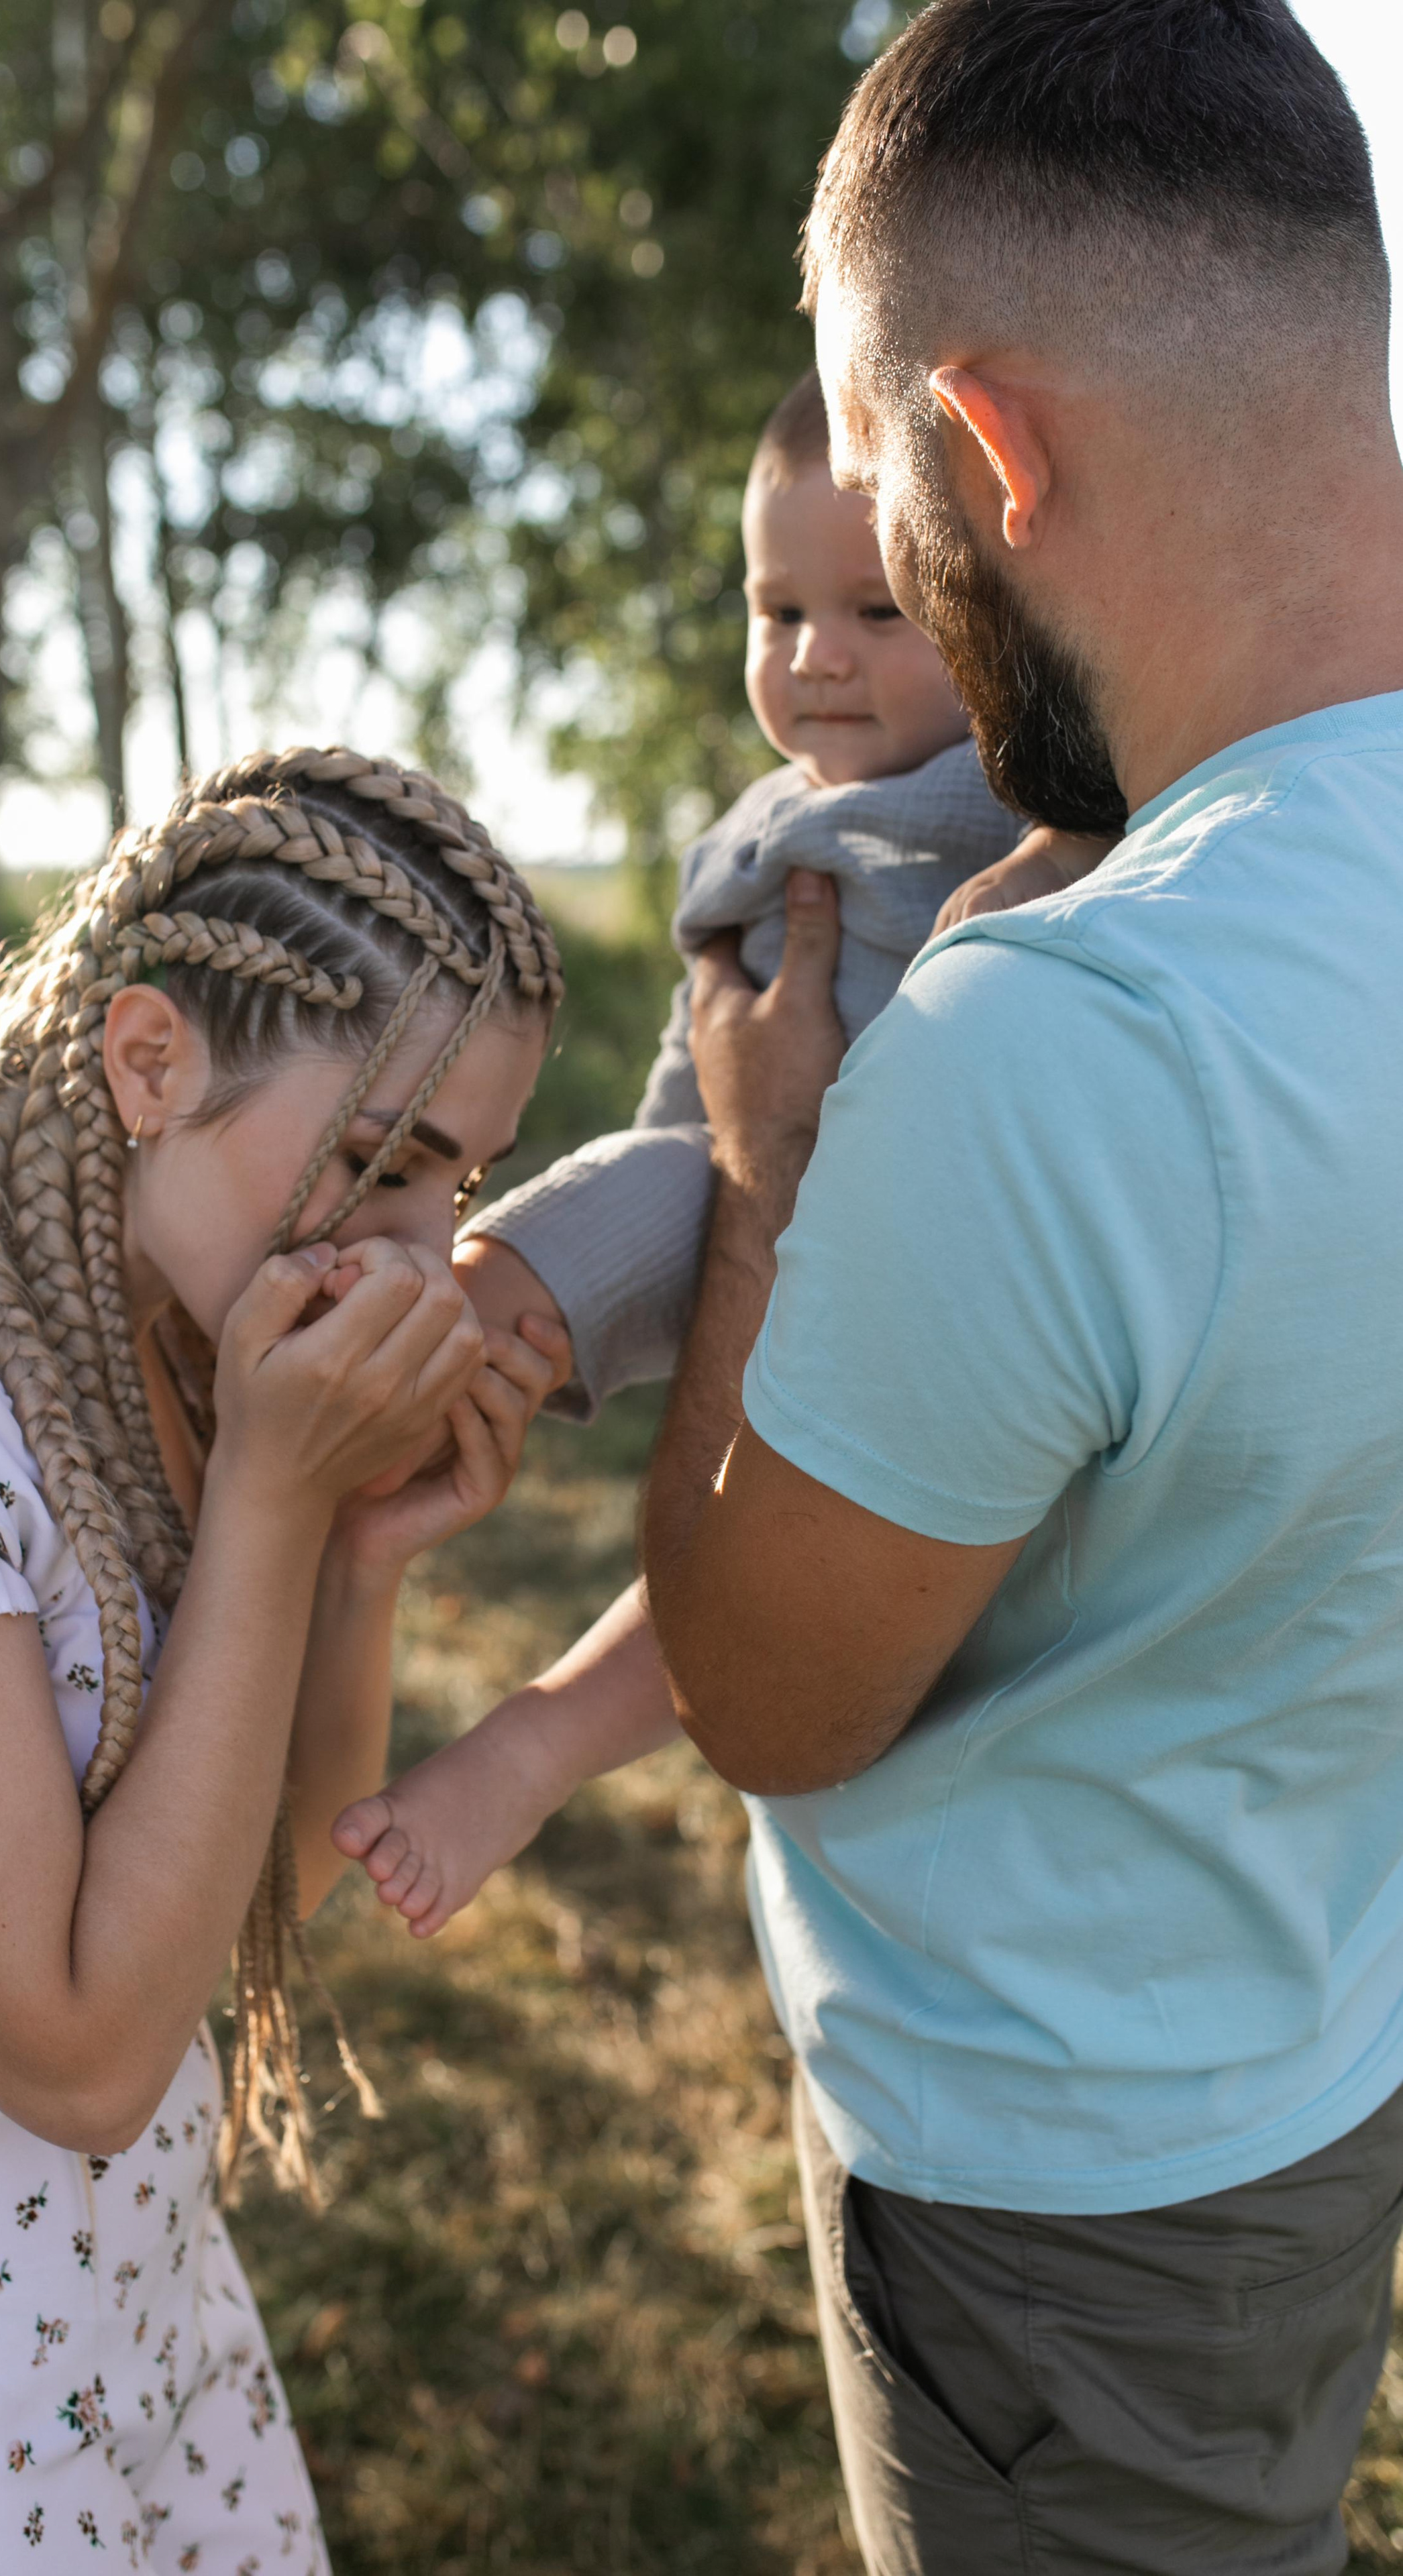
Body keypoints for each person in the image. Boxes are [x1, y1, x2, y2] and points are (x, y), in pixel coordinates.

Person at [633, 1, 1403, 2569]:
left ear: (985, 450)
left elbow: (768, 1689)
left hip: (1052, 2190)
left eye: (883, 494)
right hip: (1315, 2044)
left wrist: (764, 1182)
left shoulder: (1060, 1045)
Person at [0, 747, 566, 2571]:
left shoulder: (175, 1355)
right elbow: (81, 2052)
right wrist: (268, 1503)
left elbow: (256, 1902)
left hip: (129, 2327)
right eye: (384, 1165)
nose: (426, 1252)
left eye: (463, 1180)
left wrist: (357, 1553)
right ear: (150, 1062)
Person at [332, 373, 1102, 1938]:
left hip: (940, 1264)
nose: (816, 657)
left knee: (777, 1560)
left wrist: (1048, 856)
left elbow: (1140, 801)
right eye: (776, 608)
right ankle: (439, 1365)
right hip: (755, 1204)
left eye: (879, 613)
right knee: (672, 1298)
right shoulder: (758, 832)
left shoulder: (1026, 779)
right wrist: (589, 1262)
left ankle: (532, 1728)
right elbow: (691, 1104)